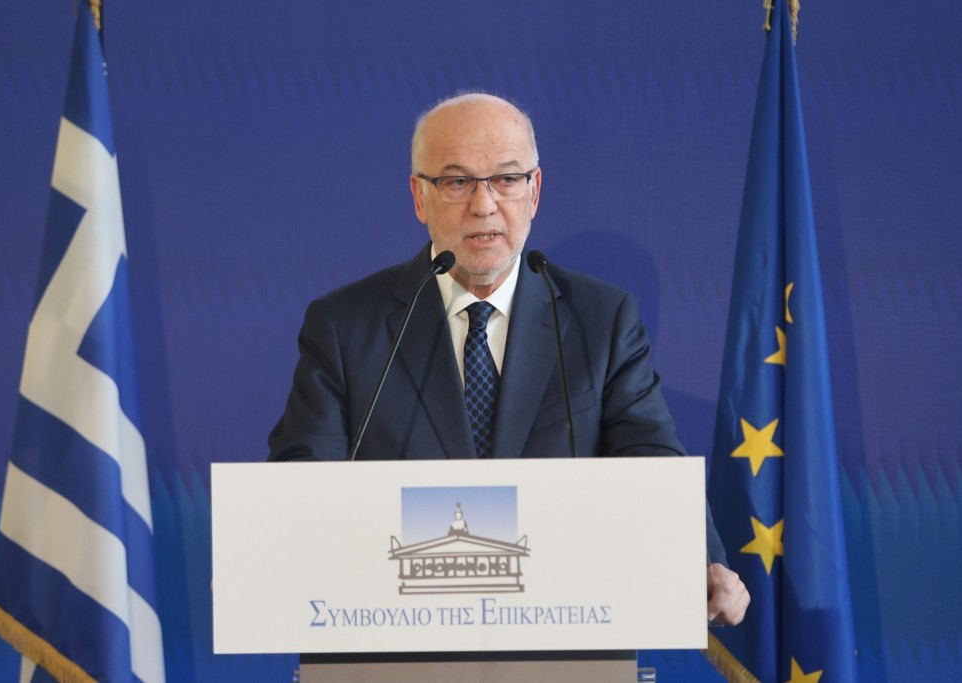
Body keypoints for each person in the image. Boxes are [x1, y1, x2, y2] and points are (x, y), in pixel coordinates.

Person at [267, 92, 750, 626]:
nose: (484, 205)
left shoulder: (601, 319)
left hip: (564, 633)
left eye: (506, 178)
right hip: (395, 631)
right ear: (419, 197)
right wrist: (262, 558)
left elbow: (651, 456)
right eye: (457, 181)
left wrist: (699, 561)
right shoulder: (345, 325)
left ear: (534, 190)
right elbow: (303, 479)